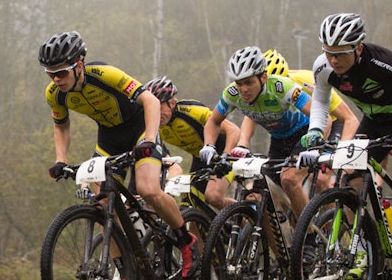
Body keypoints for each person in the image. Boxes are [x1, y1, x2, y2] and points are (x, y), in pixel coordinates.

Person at [39, 31, 198, 280]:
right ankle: (126, 275)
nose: (56, 79)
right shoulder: (55, 94)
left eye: (62, 72)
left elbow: (149, 100)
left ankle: (186, 242)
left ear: (79, 65)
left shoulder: (105, 75)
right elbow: (61, 125)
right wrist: (60, 160)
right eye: (50, 73)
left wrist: (149, 139)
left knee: (148, 189)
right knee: (101, 203)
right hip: (109, 139)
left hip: (139, 130)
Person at [303, 13, 392, 280]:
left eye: (340, 54)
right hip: (375, 121)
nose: (333, 60)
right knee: (350, 184)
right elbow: (321, 102)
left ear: (358, 48)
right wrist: (315, 131)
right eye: (328, 53)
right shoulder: (324, 68)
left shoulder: (381, 62)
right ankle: (365, 249)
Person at [201, 45, 315, 218]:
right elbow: (214, 121)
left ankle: (311, 239)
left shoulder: (280, 87)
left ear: (263, 77)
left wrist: (314, 142)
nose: (244, 89)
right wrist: (209, 145)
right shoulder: (232, 94)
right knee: (263, 200)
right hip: (278, 139)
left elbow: (319, 114)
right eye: (239, 83)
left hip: (304, 134)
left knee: (289, 179)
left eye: (249, 82)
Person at [264, 48, 359, 193]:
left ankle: (331, 214)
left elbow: (349, 118)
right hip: (306, 128)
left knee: (321, 179)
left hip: (332, 124)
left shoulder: (306, 81)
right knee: (280, 185)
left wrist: (342, 150)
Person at [140, 75, 240, 210]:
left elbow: (233, 130)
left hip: (224, 153)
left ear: (172, 103)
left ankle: (248, 213)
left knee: (214, 197)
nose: (155, 114)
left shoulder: (191, 112)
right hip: (201, 159)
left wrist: (226, 155)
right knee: (191, 205)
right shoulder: (156, 126)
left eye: (159, 107)